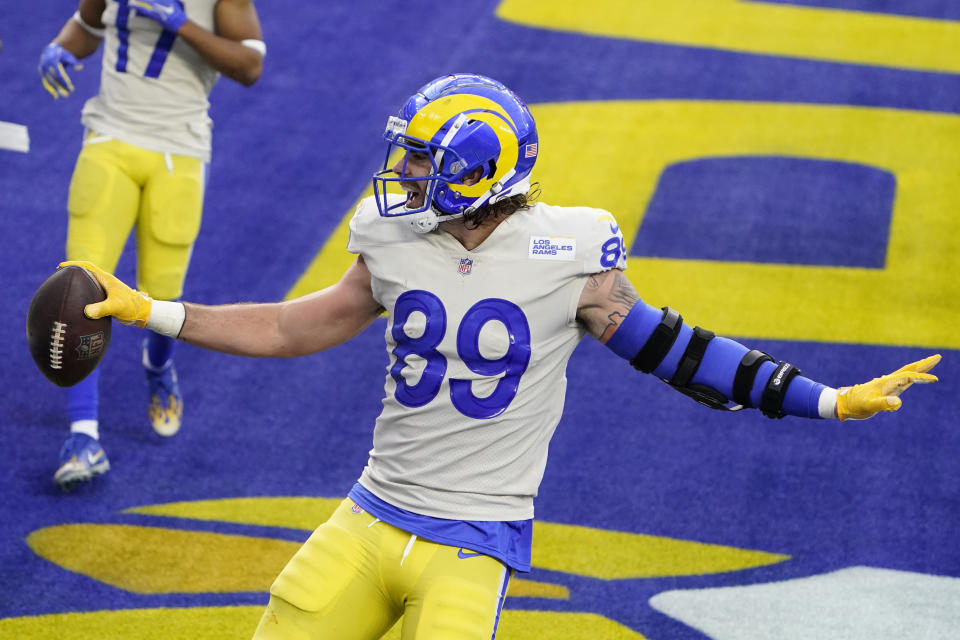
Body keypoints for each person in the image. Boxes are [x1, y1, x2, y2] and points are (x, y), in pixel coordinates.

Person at [64, 74, 939, 640]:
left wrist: (824, 399)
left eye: (419, 159)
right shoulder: (394, 236)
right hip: (368, 516)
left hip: (473, 545)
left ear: (475, 174)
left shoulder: (574, 254)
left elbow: (678, 351)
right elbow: (297, 327)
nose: (400, 173)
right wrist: (154, 312)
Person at [38, 0, 265, 489]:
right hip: (109, 138)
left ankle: (158, 368)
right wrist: (59, 49)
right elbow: (88, 22)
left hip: (179, 151)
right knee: (80, 284)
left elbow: (249, 65)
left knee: (161, 294)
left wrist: (178, 21)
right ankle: (83, 434)